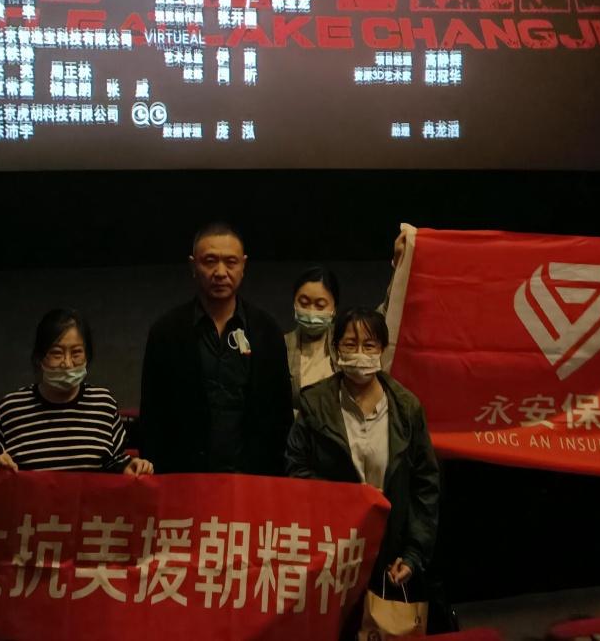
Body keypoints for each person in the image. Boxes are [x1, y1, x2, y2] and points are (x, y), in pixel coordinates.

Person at [286, 308, 439, 593]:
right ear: (336, 348)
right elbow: (296, 470)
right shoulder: (314, 405)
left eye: (369, 345)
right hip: (331, 547)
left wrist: (414, 553)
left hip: (389, 550)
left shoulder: (407, 409)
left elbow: (424, 486)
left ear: (382, 348)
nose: (360, 354)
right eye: (350, 344)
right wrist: (348, 498)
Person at [139, 222, 293, 475]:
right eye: (210, 261)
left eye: (231, 262)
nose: (221, 272)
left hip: (252, 479)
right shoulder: (166, 332)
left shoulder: (267, 331)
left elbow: (281, 415)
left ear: (243, 265)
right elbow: (152, 417)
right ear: (193, 265)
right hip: (184, 478)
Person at [0, 308, 152, 476]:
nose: (68, 364)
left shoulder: (103, 404)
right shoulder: (10, 410)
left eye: (76, 353)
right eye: (57, 353)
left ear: (87, 355)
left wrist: (129, 467)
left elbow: (115, 462)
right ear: (40, 356)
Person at [285, 266, 341, 412]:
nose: (311, 312)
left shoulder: (347, 341)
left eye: (320, 305)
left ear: (334, 308)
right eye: (304, 303)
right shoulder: (280, 346)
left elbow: (389, 315)